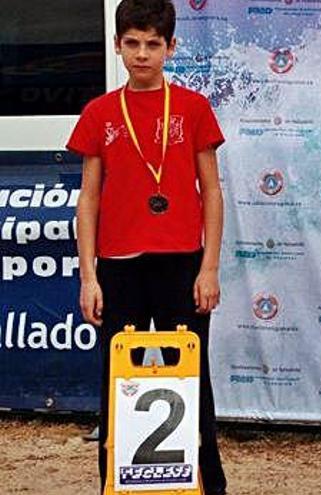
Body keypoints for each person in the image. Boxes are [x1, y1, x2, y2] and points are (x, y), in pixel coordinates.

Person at [67, 1, 227, 494]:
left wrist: (210, 268)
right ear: (117, 45)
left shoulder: (193, 107)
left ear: (171, 47)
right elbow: (88, 199)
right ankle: (115, 480)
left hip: (181, 263)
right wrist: (88, 276)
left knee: (193, 377)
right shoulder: (99, 112)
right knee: (120, 379)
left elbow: (212, 192)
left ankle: (208, 483)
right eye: (132, 43)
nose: (142, 54)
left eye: (153, 44)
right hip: (118, 266)